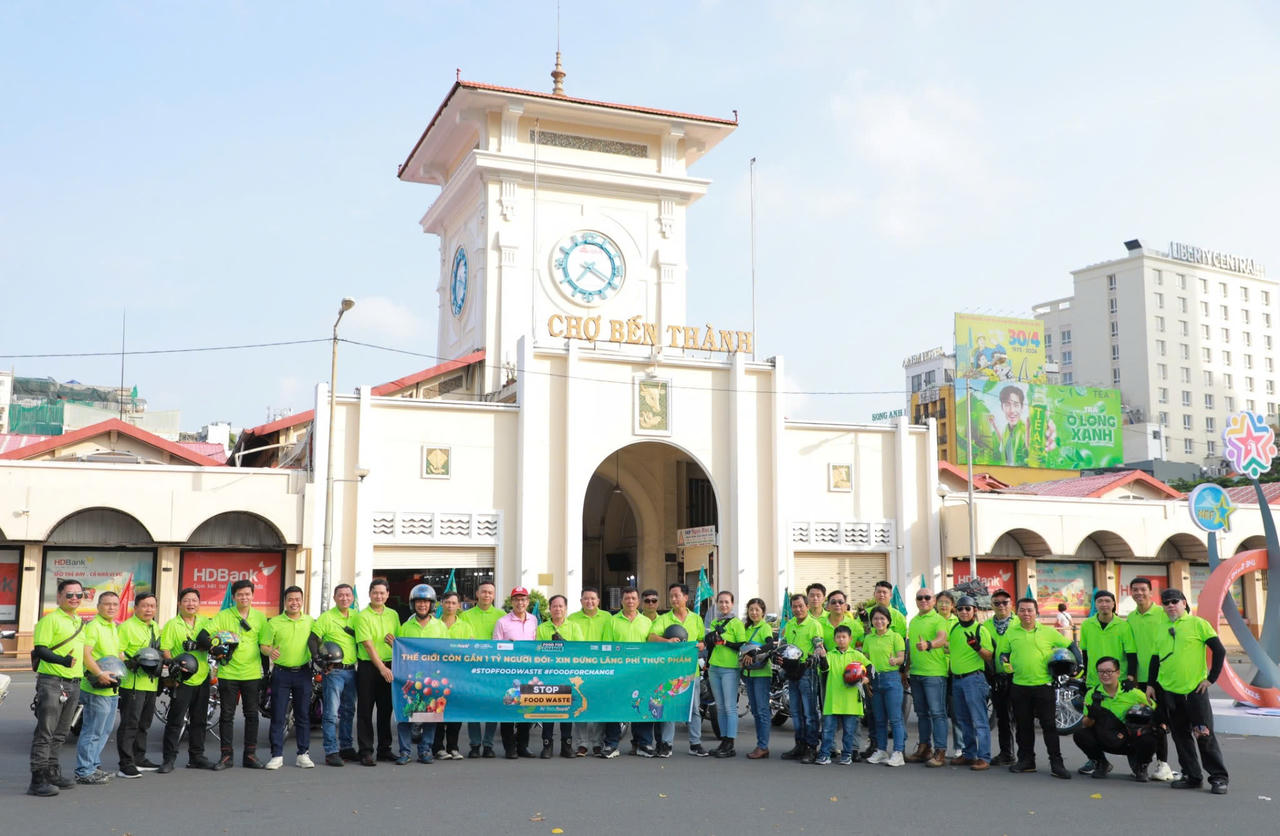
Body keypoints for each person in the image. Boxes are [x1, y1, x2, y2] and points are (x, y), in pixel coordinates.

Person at [1149, 588, 1229, 795]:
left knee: (1204, 735)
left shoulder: (1198, 624)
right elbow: (1155, 659)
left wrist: (1211, 679)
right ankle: (1192, 776)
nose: (1170, 605)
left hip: (1195, 692)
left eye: (1174, 601)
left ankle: (1218, 778)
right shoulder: (1160, 627)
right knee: (1180, 736)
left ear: (1184, 603)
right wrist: (1151, 684)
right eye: (1165, 602)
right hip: (1169, 692)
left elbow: (1219, 651)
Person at [997, 597, 1072, 778]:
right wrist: (1004, 661)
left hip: (1043, 686)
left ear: (1036, 612)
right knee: (1024, 727)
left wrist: (1075, 668)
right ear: (1017, 612)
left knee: (1049, 726)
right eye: (1022, 610)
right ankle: (1026, 761)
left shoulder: (1049, 632)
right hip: (1019, 686)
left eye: (1030, 610)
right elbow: (1004, 653)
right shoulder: (1011, 632)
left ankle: (1057, 763)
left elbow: (1070, 647)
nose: (1026, 613)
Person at [28, 578, 88, 796]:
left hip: (74, 683)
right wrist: (62, 661)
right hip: (52, 682)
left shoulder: (80, 623)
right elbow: (41, 649)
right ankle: (38, 779)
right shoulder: (50, 620)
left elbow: (85, 654)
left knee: (61, 732)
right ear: (60, 596)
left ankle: (52, 772)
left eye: (79, 595)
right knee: (45, 731)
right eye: (69, 594)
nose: (74, 598)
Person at [1076, 589, 1136, 775]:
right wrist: (1085, 675)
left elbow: (1131, 654)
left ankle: (1137, 760)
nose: (1103, 604)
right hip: (1095, 681)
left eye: (1107, 601)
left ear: (1113, 604)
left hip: (1119, 681)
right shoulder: (1087, 625)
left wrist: (1131, 677)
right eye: (1100, 601)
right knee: (1091, 722)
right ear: (1095, 604)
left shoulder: (1123, 626)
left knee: (1126, 722)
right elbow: (1085, 653)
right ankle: (1096, 760)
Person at [212, 578, 269, 770]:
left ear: (253, 595)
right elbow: (208, 634)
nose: (244, 597)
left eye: (247, 594)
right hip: (228, 672)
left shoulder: (261, 618)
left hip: (252, 674)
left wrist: (271, 655)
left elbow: (264, 646)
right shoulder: (223, 615)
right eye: (240, 594)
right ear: (234, 597)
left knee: (252, 715)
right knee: (227, 715)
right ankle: (226, 756)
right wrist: (216, 647)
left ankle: (250, 755)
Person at [159, 587, 216, 772]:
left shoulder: (206, 623)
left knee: (199, 721)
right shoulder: (171, 624)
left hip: (202, 678)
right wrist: (171, 663)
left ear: (199, 604)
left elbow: (213, 644)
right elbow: (165, 649)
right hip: (182, 679)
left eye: (194, 600)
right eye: (187, 600)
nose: (191, 604)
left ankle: (197, 757)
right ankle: (169, 759)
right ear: (179, 604)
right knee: (175, 720)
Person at [1072, 656, 1156, 781]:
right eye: (1101, 671)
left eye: (1109, 671)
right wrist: (1091, 715)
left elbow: (1154, 709)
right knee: (1080, 734)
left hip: (1129, 738)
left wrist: (1139, 709)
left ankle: (1141, 766)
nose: (1105, 675)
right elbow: (1086, 723)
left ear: (1118, 672)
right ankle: (1101, 763)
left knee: (1151, 735)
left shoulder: (1132, 692)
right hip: (1106, 736)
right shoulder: (1092, 694)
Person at [260, 586, 317, 770]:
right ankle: (276, 755)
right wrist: (270, 651)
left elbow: (319, 641)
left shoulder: (310, 621)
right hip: (281, 673)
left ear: (302, 601)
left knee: (302, 715)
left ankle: (303, 754)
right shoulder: (274, 622)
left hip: (303, 673)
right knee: (278, 715)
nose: (294, 602)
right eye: (290, 599)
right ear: (285, 601)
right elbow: (263, 645)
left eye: (297, 599)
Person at [1126, 576, 1175, 781]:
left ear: (1150, 591)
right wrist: (1133, 677)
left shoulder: (1163, 613)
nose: (1139, 593)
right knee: (1142, 722)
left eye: (1143, 590)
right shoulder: (1130, 618)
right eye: (1135, 590)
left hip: (1163, 678)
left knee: (1161, 723)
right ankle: (1143, 763)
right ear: (1130, 593)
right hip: (1142, 680)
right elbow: (1132, 651)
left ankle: (1163, 764)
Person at [651, 583, 707, 757]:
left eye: (677, 595)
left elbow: (702, 641)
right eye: (671, 596)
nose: (674, 599)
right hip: (670, 672)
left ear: (685, 598)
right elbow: (651, 637)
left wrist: (700, 645)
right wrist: (666, 642)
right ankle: (667, 744)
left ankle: (695, 743)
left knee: (694, 709)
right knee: (669, 707)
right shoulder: (664, 619)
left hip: (691, 672)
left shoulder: (696, 619)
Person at [75, 590, 123, 785]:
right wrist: (99, 673)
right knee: (92, 730)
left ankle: (93, 766)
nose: (111, 607)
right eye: (107, 604)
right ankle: (84, 771)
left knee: (104, 730)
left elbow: (117, 655)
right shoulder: (94, 626)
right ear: (98, 606)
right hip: (96, 688)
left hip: (111, 687)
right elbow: (86, 655)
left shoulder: (113, 626)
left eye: (114, 604)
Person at [395, 584, 445, 765]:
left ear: (431, 605)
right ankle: (405, 751)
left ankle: (425, 750)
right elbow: (399, 652)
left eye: (425, 602)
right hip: (409, 678)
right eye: (418, 602)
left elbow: (446, 653)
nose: (422, 605)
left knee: (430, 715)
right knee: (405, 715)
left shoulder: (440, 627)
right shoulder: (405, 627)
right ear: (413, 604)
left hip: (432, 677)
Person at [599, 587, 652, 758]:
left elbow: (652, 649)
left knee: (642, 705)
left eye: (633, 598)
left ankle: (642, 743)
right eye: (627, 598)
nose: (630, 601)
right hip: (618, 673)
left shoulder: (647, 622)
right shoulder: (612, 621)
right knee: (614, 707)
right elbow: (607, 648)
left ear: (638, 601)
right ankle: (612, 744)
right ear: (621, 601)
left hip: (640, 673)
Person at [354, 577, 401, 766]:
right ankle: (365, 751)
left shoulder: (393, 615)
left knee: (385, 710)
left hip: (390, 666)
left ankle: (384, 749)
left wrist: (394, 643)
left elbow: (398, 640)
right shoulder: (362, 616)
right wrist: (381, 668)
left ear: (388, 594)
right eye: (375, 592)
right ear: (369, 594)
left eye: (382, 593)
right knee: (365, 710)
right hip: (369, 667)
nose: (379, 596)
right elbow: (368, 645)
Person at [312, 582, 359, 767]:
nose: (344, 598)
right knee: (331, 714)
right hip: (334, 672)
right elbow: (313, 639)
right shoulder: (326, 617)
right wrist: (320, 661)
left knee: (348, 711)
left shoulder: (358, 616)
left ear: (352, 598)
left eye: (348, 595)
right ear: (334, 597)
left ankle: (346, 747)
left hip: (352, 670)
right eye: (340, 595)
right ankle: (331, 751)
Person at [117, 591, 163, 778]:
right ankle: (125, 763)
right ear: (135, 608)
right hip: (132, 684)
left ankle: (139, 757)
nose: (148, 609)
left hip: (151, 684)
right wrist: (130, 662)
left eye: (152, 606)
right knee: (130, 724)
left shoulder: (155, 627)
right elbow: (117, 651)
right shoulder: (126, 627)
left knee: (144, 723)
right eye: (144, 606)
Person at [813, 624, 870, 765]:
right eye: (838, 637)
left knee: (849, 732)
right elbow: (824, 669)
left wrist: (866, 678)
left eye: (844, 637)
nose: (841, 640)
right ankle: (824, 754)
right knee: (828, 731)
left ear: (850, 639)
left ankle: (847, 754)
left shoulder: (856, 655)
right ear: (834, 639)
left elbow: (870, 668)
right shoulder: (830, 655)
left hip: (851, 701)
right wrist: (823, 657)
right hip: (833, 700)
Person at [948, 596, 994, 770]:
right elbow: (952, 649)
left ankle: (984, 757)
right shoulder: (954, 629)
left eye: (968, 608)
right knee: (962, 719)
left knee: (979, 720)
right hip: (957, 679)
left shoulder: (980, 630)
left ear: (975, 611)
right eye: (960, 609)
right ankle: (969, 754)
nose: (964, 612)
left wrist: (977, 647)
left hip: (974, 679)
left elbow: (989, 655)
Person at [905, 588, 949, 767]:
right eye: (919, 598)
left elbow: (942, 639)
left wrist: (929, 644)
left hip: (934, 674)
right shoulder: (914, 621)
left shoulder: (939, 619)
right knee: (921, 713)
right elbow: (910, 648)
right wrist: (905, 670)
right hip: (916, 673)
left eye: (927, 597)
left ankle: (940, 751)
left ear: (934, 601)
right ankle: (924, 749)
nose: (923, 600)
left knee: (937, 713)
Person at [536, 594, 583, 758]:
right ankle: (547, 745)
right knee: (548, 710)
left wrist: (564, 643)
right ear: (550, 609)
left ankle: (567, 745)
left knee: (566, 710)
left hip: (567, 675)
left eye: (560, 606)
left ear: (566, 608)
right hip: (549, 674)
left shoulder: (574, 627)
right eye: (554, 606)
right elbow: (538, 650)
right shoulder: (542, 628)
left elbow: (578, 650)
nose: (557, 609)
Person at [494, 586, 539, 758]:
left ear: (527, 602)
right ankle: (509, 748)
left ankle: (523, 746)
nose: (520, 603)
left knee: (525, 708)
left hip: (528, 671)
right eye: (517, 599)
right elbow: (496, 647)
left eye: (523, 599)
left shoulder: (534, 620)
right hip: (508, 671)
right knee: (508, 707)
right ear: (511, 602)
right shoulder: (502, 622)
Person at [461, 580, 503, 759]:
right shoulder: (466, 616)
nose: (487, 595)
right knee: (473, 706)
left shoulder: (502, 616)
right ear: (477, 594)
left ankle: (488, 744)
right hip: (472, 667)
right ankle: (475, 744)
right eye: (484, 592)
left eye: (490, 592)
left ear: (494, 595)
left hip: (494, 668)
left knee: (492, 706)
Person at [568, 587, 612, 757]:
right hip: (579, 668)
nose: (590, 602)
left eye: (593, 598)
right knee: (580, 705)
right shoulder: (572, 618)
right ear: (581, 601)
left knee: (599, 705)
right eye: (586, 599)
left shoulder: (608, 617)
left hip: (601, 667)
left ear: (598, 601)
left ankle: (597, 743)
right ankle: (582, 744)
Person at [780, 593, 822, 762]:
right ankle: (800, 745)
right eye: (794, 607)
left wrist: (813, 657)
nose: (797, 609)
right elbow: (784, 645)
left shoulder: (814, 625)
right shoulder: (789, 625)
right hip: (792, 671)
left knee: (810, 712)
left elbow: (818, 646)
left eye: (800, 606)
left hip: (807, 671)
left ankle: (812, 748)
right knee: (795, 712)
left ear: (807, 606)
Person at [862, 606, 906, 767]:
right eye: (875, 618)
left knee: (895, 719)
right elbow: (865, 659)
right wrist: (866, 677)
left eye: (882, 618)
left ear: (888, 620)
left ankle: (898, 752)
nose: (879, 621)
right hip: (874, 679)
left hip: (891, 679)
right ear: (871, 621)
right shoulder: (869, 638)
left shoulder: (895, 636)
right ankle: (881, 750)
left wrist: (896, 661)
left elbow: (902, 657)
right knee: (878, 719)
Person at [433, 590, 472, 760]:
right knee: (438, 711)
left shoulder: (465, 627)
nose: (450, 606)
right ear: (442, 604)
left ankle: (453, 747)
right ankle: (438, 747)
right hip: (437, 674)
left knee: (456, 711)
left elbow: (470, 651)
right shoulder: (434, 624)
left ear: (459, 606)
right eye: (447, 602)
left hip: (458, 675)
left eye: (453, 603)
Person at [980, 588, 1016, 765]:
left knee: (1021, 717)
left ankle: (1025, 755)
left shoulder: (1020, 622)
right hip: (996, 677)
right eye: (997, 603)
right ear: (992, 606)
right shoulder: (985, 626)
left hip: (1019, 677)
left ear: (1011, 604)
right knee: (1002, 717)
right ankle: (1006, 753)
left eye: (1005, 602)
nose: (1001, 606)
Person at [740, 597, 776, 759]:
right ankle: (761, 745)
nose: (754, 613)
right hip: (748, 674)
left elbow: (770, 644)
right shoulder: (746, 628)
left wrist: (756, 651)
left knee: (762, 711)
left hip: (761, 674)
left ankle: (763, 746)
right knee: (755, 710)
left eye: (757, 610)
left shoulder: (765, 627)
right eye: (751, 609)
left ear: (763, 612)